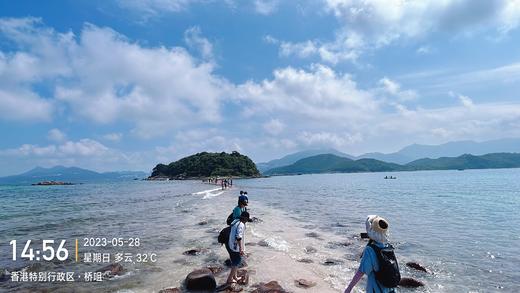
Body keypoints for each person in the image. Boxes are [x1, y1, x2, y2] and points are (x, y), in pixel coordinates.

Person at [344, 215, 399, 293]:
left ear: (371, 230)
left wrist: (349, 288)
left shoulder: (370, 250)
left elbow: (361, 272)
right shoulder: (388, 247)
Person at [225, 211, 250, 290]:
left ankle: (235, 278)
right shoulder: (241, 225)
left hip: (230, 245)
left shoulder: (235, 221)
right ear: (245, 218)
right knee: (236, 262)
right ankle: (229, 279)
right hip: (235, 247)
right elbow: (239, 237)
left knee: (234, 261)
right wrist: (241, 249)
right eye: (247, 219)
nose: (247, 221)